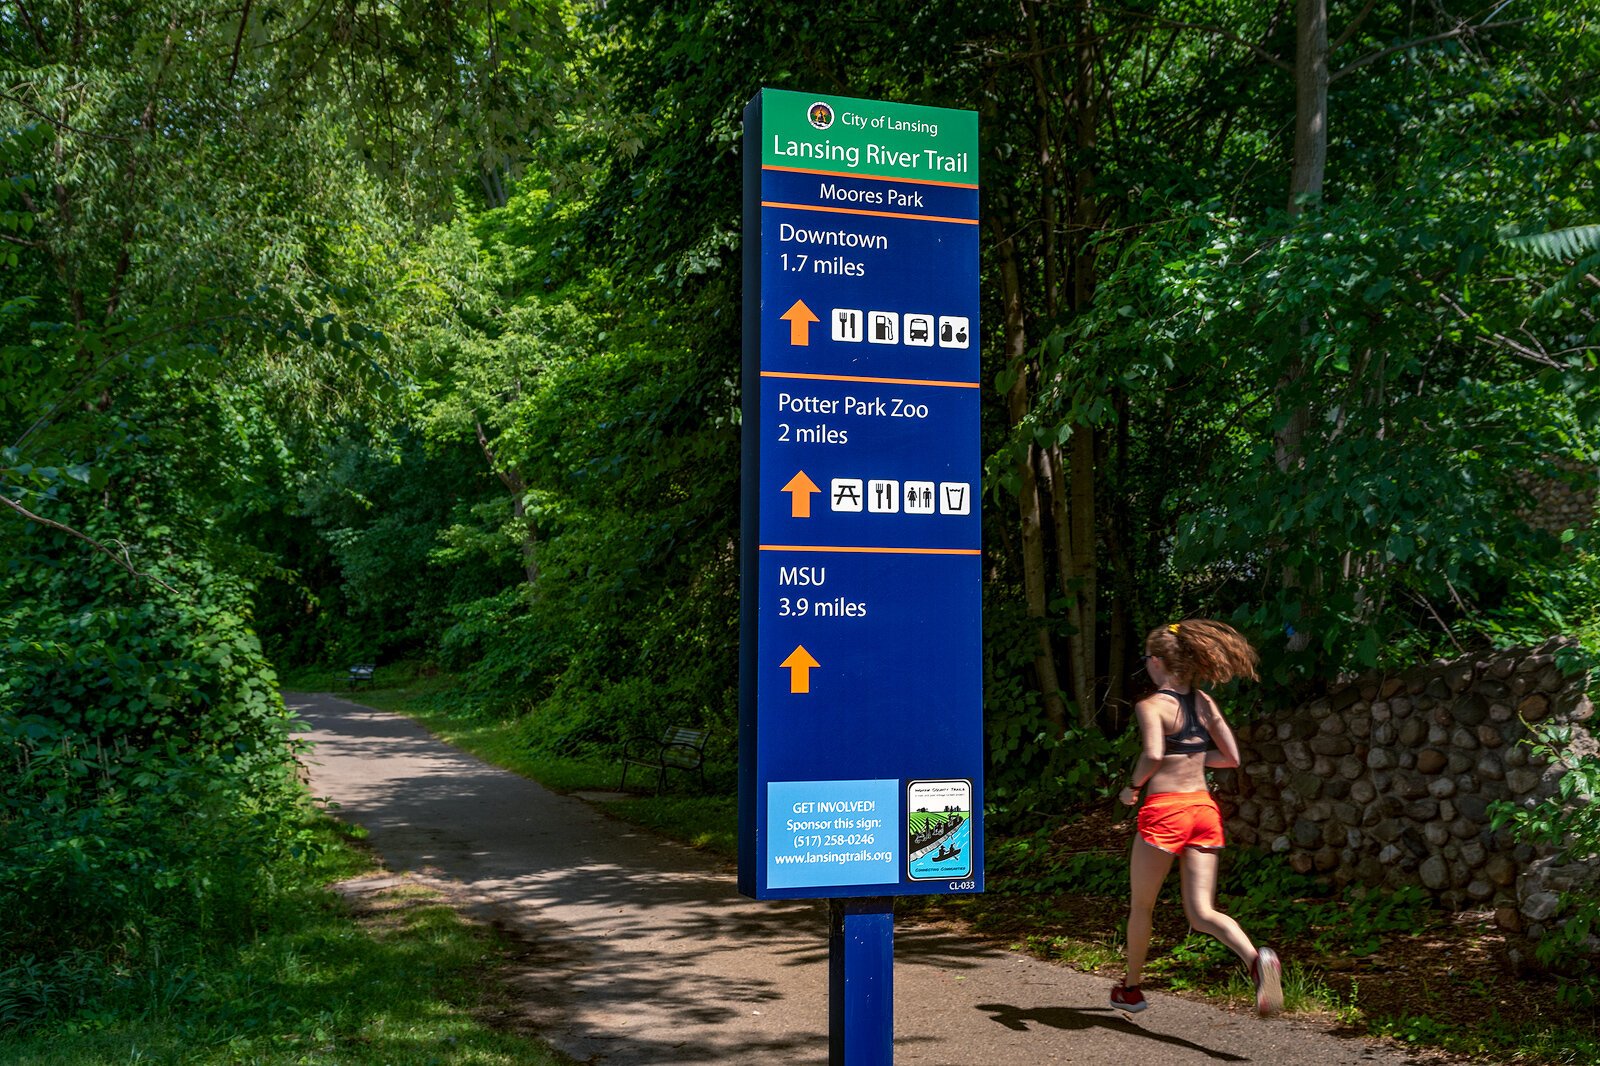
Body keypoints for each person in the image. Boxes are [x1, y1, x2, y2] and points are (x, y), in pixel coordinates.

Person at [1109, 619, 1284, 1018]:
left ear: (1156, 662)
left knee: (1142, 906)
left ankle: (1131, 989)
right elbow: (1232, 758)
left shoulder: (1151, 706)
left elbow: (1153, 754)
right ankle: (1256, 960)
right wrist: (1194, 758)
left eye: (1147, 660)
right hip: (1203, 810)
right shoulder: (1205, 702)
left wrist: (1132, 788)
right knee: (1202, 912)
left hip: (1165, 811)